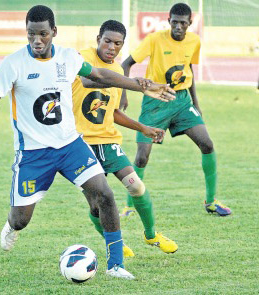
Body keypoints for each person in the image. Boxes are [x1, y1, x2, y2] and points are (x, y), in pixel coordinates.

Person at [0, 5, 175, 280]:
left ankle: (116, 265)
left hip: (70, 145)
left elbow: (99, 75)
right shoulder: (13, 63)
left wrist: (140, 85)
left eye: (42, 34)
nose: (37, 41)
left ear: (54, 32)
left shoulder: (66, 58)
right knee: (21, 220)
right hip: (33, 153)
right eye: (30, 35)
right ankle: (11, 226)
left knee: (105, 195)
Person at [72, 20, 178, 257]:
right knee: (97, 205)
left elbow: (114, 112)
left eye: (117, 43)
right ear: (98, 38)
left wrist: (144, 128)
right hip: (80, 145)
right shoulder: (83, 56)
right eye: (107, 41)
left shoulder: (119, 71)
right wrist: (137, 86)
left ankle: (151, 235)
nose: (111, 47)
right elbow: (90, 80)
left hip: (108, 141)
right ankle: (114, 245)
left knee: (136, 186)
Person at [120, 3, 231, 217]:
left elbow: (187, 69)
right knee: (142, 157)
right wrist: (124, 93)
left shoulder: (194, 41)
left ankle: (211, 201)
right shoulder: (154, 39)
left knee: (207, 144)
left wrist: (196, 103)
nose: (178, 27)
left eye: (183, 23)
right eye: (174, 22)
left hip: (182, 101)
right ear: (168, 20)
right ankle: (129, 206)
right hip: (155, 101)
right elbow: (126, 64)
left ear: (190, 23)